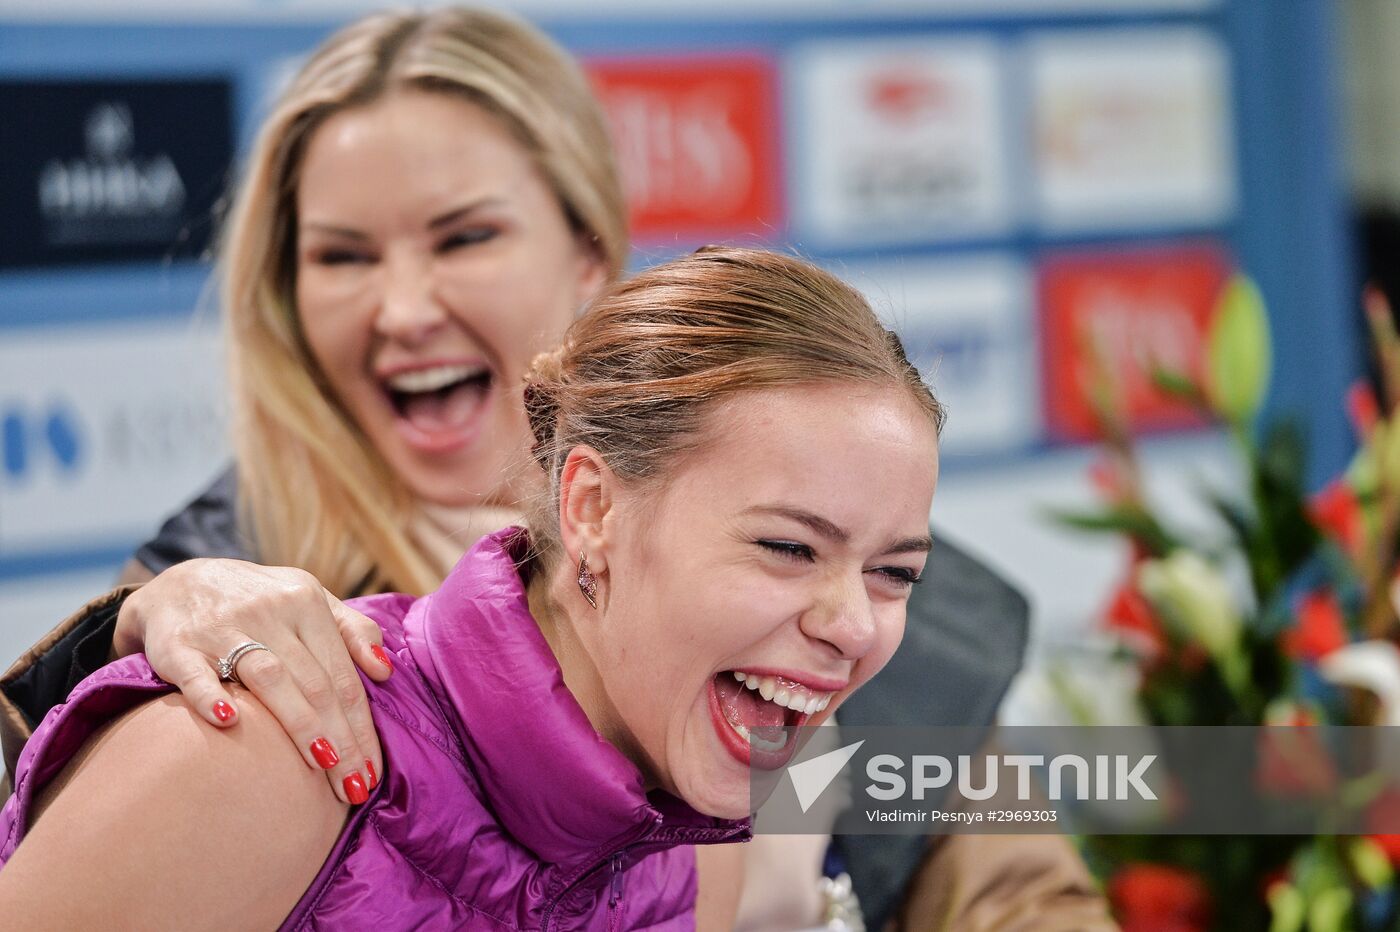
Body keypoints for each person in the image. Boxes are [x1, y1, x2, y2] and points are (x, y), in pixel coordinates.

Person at [0, 7, 1109, 928]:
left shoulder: (842, 588)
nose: (401, 307)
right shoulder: (220, 620)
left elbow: (1016, 895)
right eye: (341, 255)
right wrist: (127, 633)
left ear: (586, 249)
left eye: (462, 236)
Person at [0, 246, 943, 930]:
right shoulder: (252, 757)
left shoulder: (697, 848)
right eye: (786, 547)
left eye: (896, 572)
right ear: (592, 509)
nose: (852, 624)